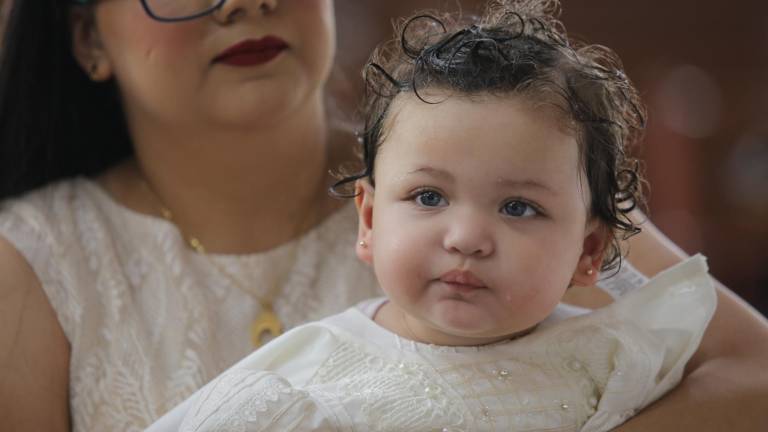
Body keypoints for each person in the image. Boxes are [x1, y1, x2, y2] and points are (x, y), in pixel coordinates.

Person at [0, 0, 765, 431]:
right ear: (87, 35)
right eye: (427, 198)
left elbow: (754, 374)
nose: (245, 2)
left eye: (516, 209)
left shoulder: (525, 160)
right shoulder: (32, 260)